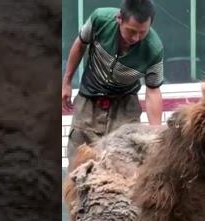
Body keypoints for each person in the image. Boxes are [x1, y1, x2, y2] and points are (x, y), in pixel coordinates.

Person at [62, 0, 164, 172]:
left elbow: (153, 91)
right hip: (89, 100)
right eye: (131, 31)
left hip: (125, 106)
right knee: (79, 165)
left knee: (125, 166)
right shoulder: (99, 20)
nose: (135, 38)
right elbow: (80, 44)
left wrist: (156, 133)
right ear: (119, 18)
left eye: (142, 32)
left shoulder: (154, 49)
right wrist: (66, 82)